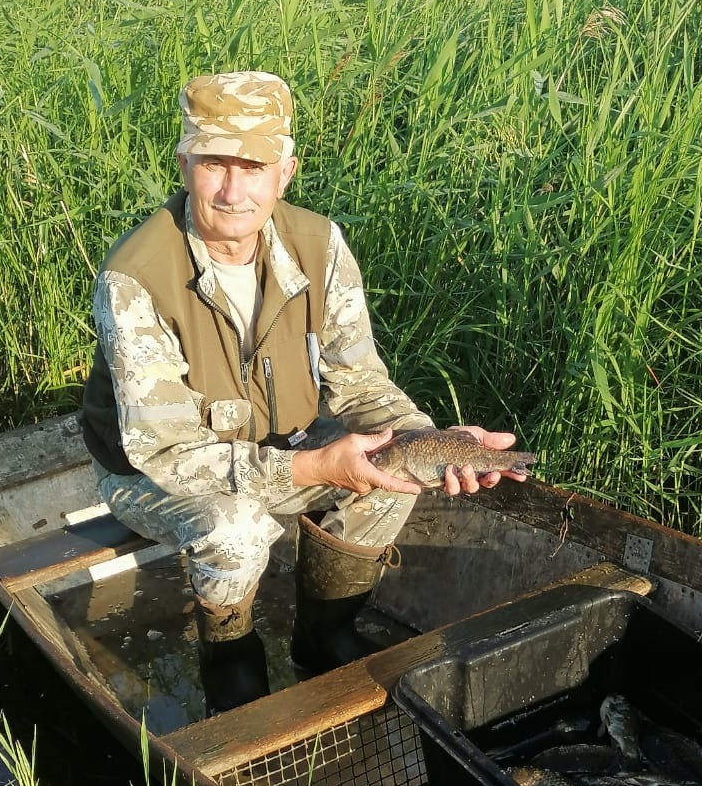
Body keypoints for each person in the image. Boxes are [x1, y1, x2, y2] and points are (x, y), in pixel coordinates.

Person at [80, 71, 527, 717]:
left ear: (285, 172)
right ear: (184, 165)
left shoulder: (319, 245)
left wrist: (442, 443)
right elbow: (168, 455)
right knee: (238, 528)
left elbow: (360, 381)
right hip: (152, 470)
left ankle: (324, 640)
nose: (234, 190)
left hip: (278, 439)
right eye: (214, 164)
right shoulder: (136, 276)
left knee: (395, 466)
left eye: (254, 165)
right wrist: (311, 467)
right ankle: (232, 672)